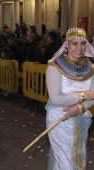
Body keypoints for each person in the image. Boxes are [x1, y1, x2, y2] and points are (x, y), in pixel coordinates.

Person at [45, 27, 94, 170]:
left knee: (78, 159)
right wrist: (86, 95)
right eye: (75, 43)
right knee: (65, 162)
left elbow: (92, 99)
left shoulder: (90, 67)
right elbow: (56, 99)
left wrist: (79, 108)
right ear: (67, 45)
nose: (79, 48)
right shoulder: (55, 65)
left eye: (83, 44)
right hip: (60, 118)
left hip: (82, 117)